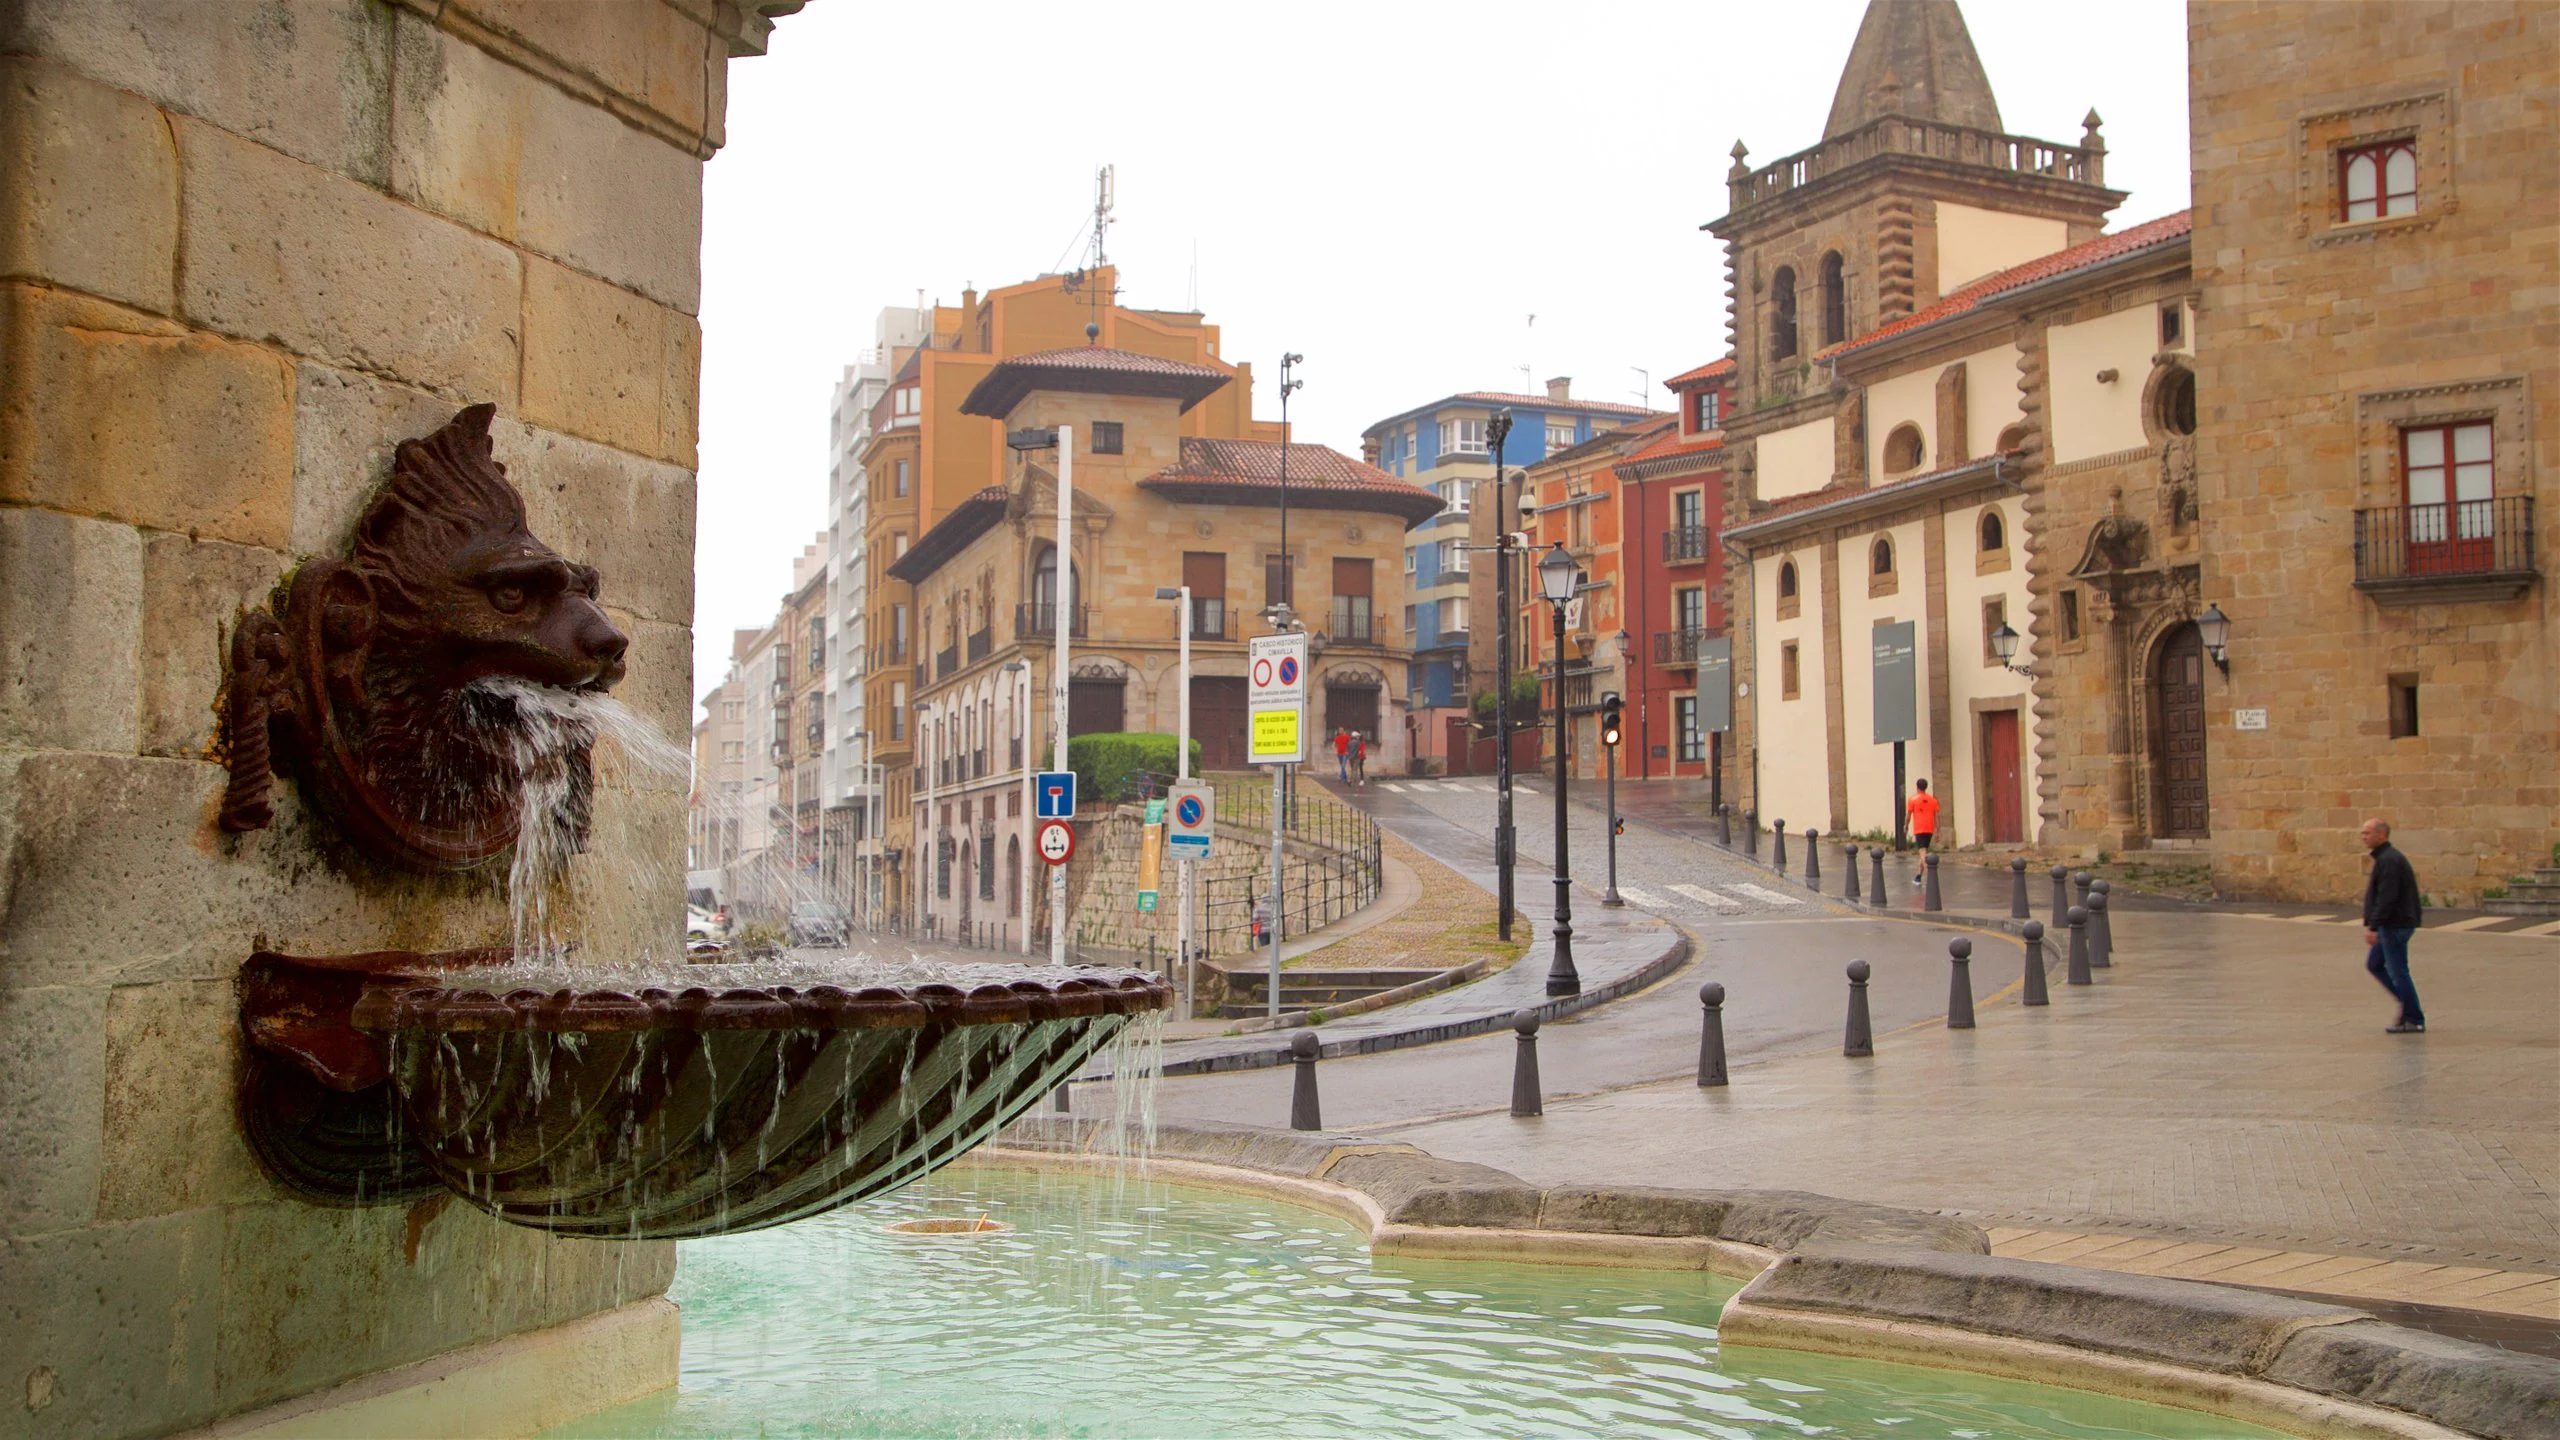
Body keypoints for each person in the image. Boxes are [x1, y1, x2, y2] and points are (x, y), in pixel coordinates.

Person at [2360, 818, 2425, 1034]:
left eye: (2368, 833)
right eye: (2363, 833)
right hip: (2391, 924)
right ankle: (2408, 1006)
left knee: (2398, 971)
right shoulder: (2386, 858)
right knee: (2375, 964)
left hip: (2394, 925)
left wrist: (2374, 926)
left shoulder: (2389, 860)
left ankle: (2413, 1017)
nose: (2363, 837)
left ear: (2382, 835)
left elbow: (2387, 897)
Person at [1906, 777, 1939, 884]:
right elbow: (1937, 816)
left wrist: (1905, 826)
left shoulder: (1913, 800)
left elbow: (1908, 816)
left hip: (1919, 829)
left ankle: (1929, 871)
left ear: (1917, 787)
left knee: (1922, 852)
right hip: (1930, 829)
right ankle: (1918, 876)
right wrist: (1937, 830)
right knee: (1923, 851)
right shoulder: (1933, 800)